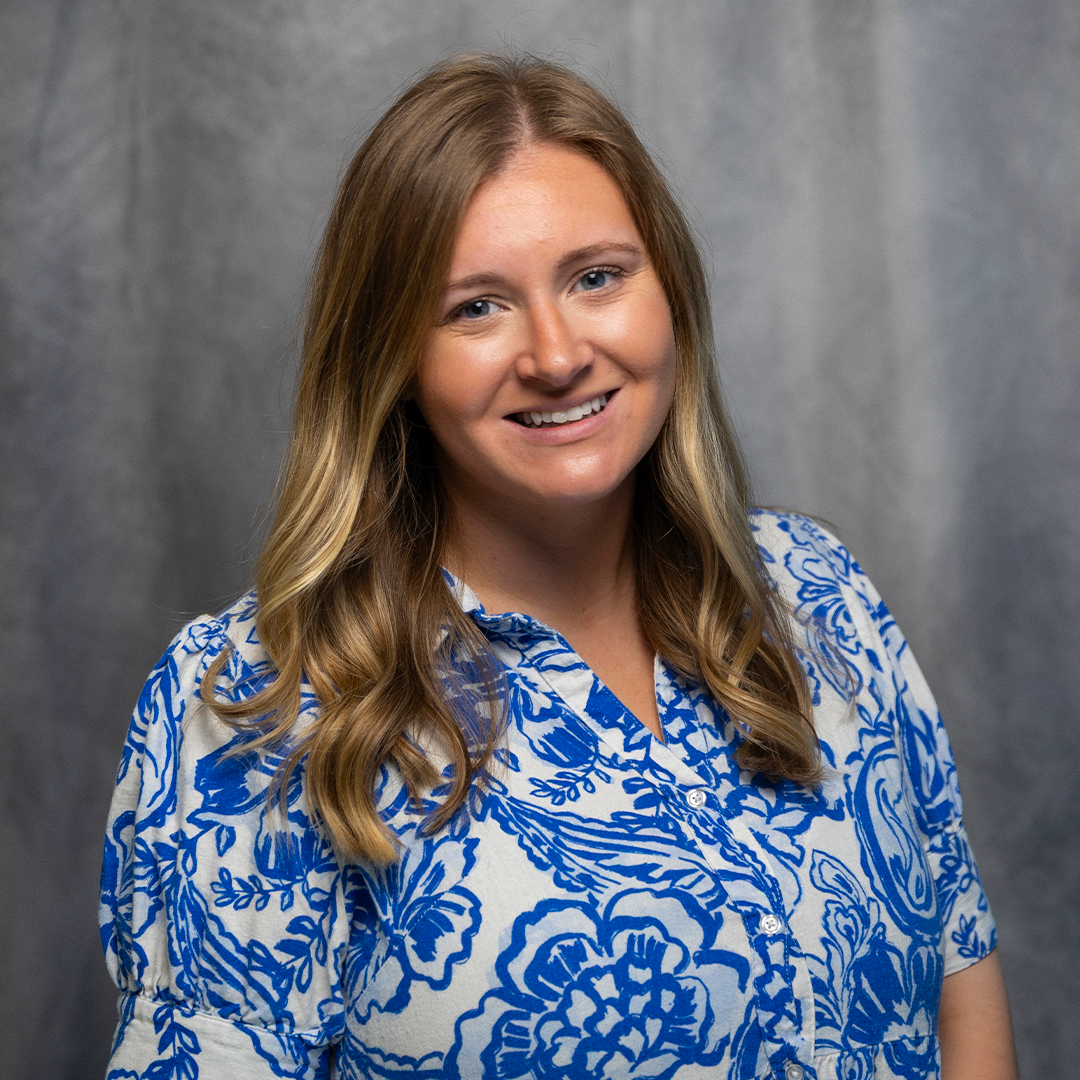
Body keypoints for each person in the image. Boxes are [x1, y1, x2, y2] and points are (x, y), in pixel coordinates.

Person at [99, 54, 1018, 1080]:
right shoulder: (263, 707)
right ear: (391, 359)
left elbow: (958, 980)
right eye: (475, 307)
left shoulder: (816, 595)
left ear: (667, 290)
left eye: (596, 277)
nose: (554, 353)